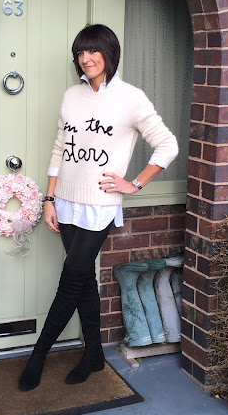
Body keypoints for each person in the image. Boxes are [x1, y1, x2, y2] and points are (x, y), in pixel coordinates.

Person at [19, 24, 179, 391]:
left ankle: (38, 356)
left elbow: (167, 145)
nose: (86, 58)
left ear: (109, 54)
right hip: (66, 202)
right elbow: (61, 148)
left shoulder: (130, 98)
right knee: (84, 280)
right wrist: (49, 199)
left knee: (70, 280)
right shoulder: (71, 96)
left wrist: (134, 183)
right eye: (80, 52)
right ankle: (94, 354)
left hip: (100, 205)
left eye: (93, 51)